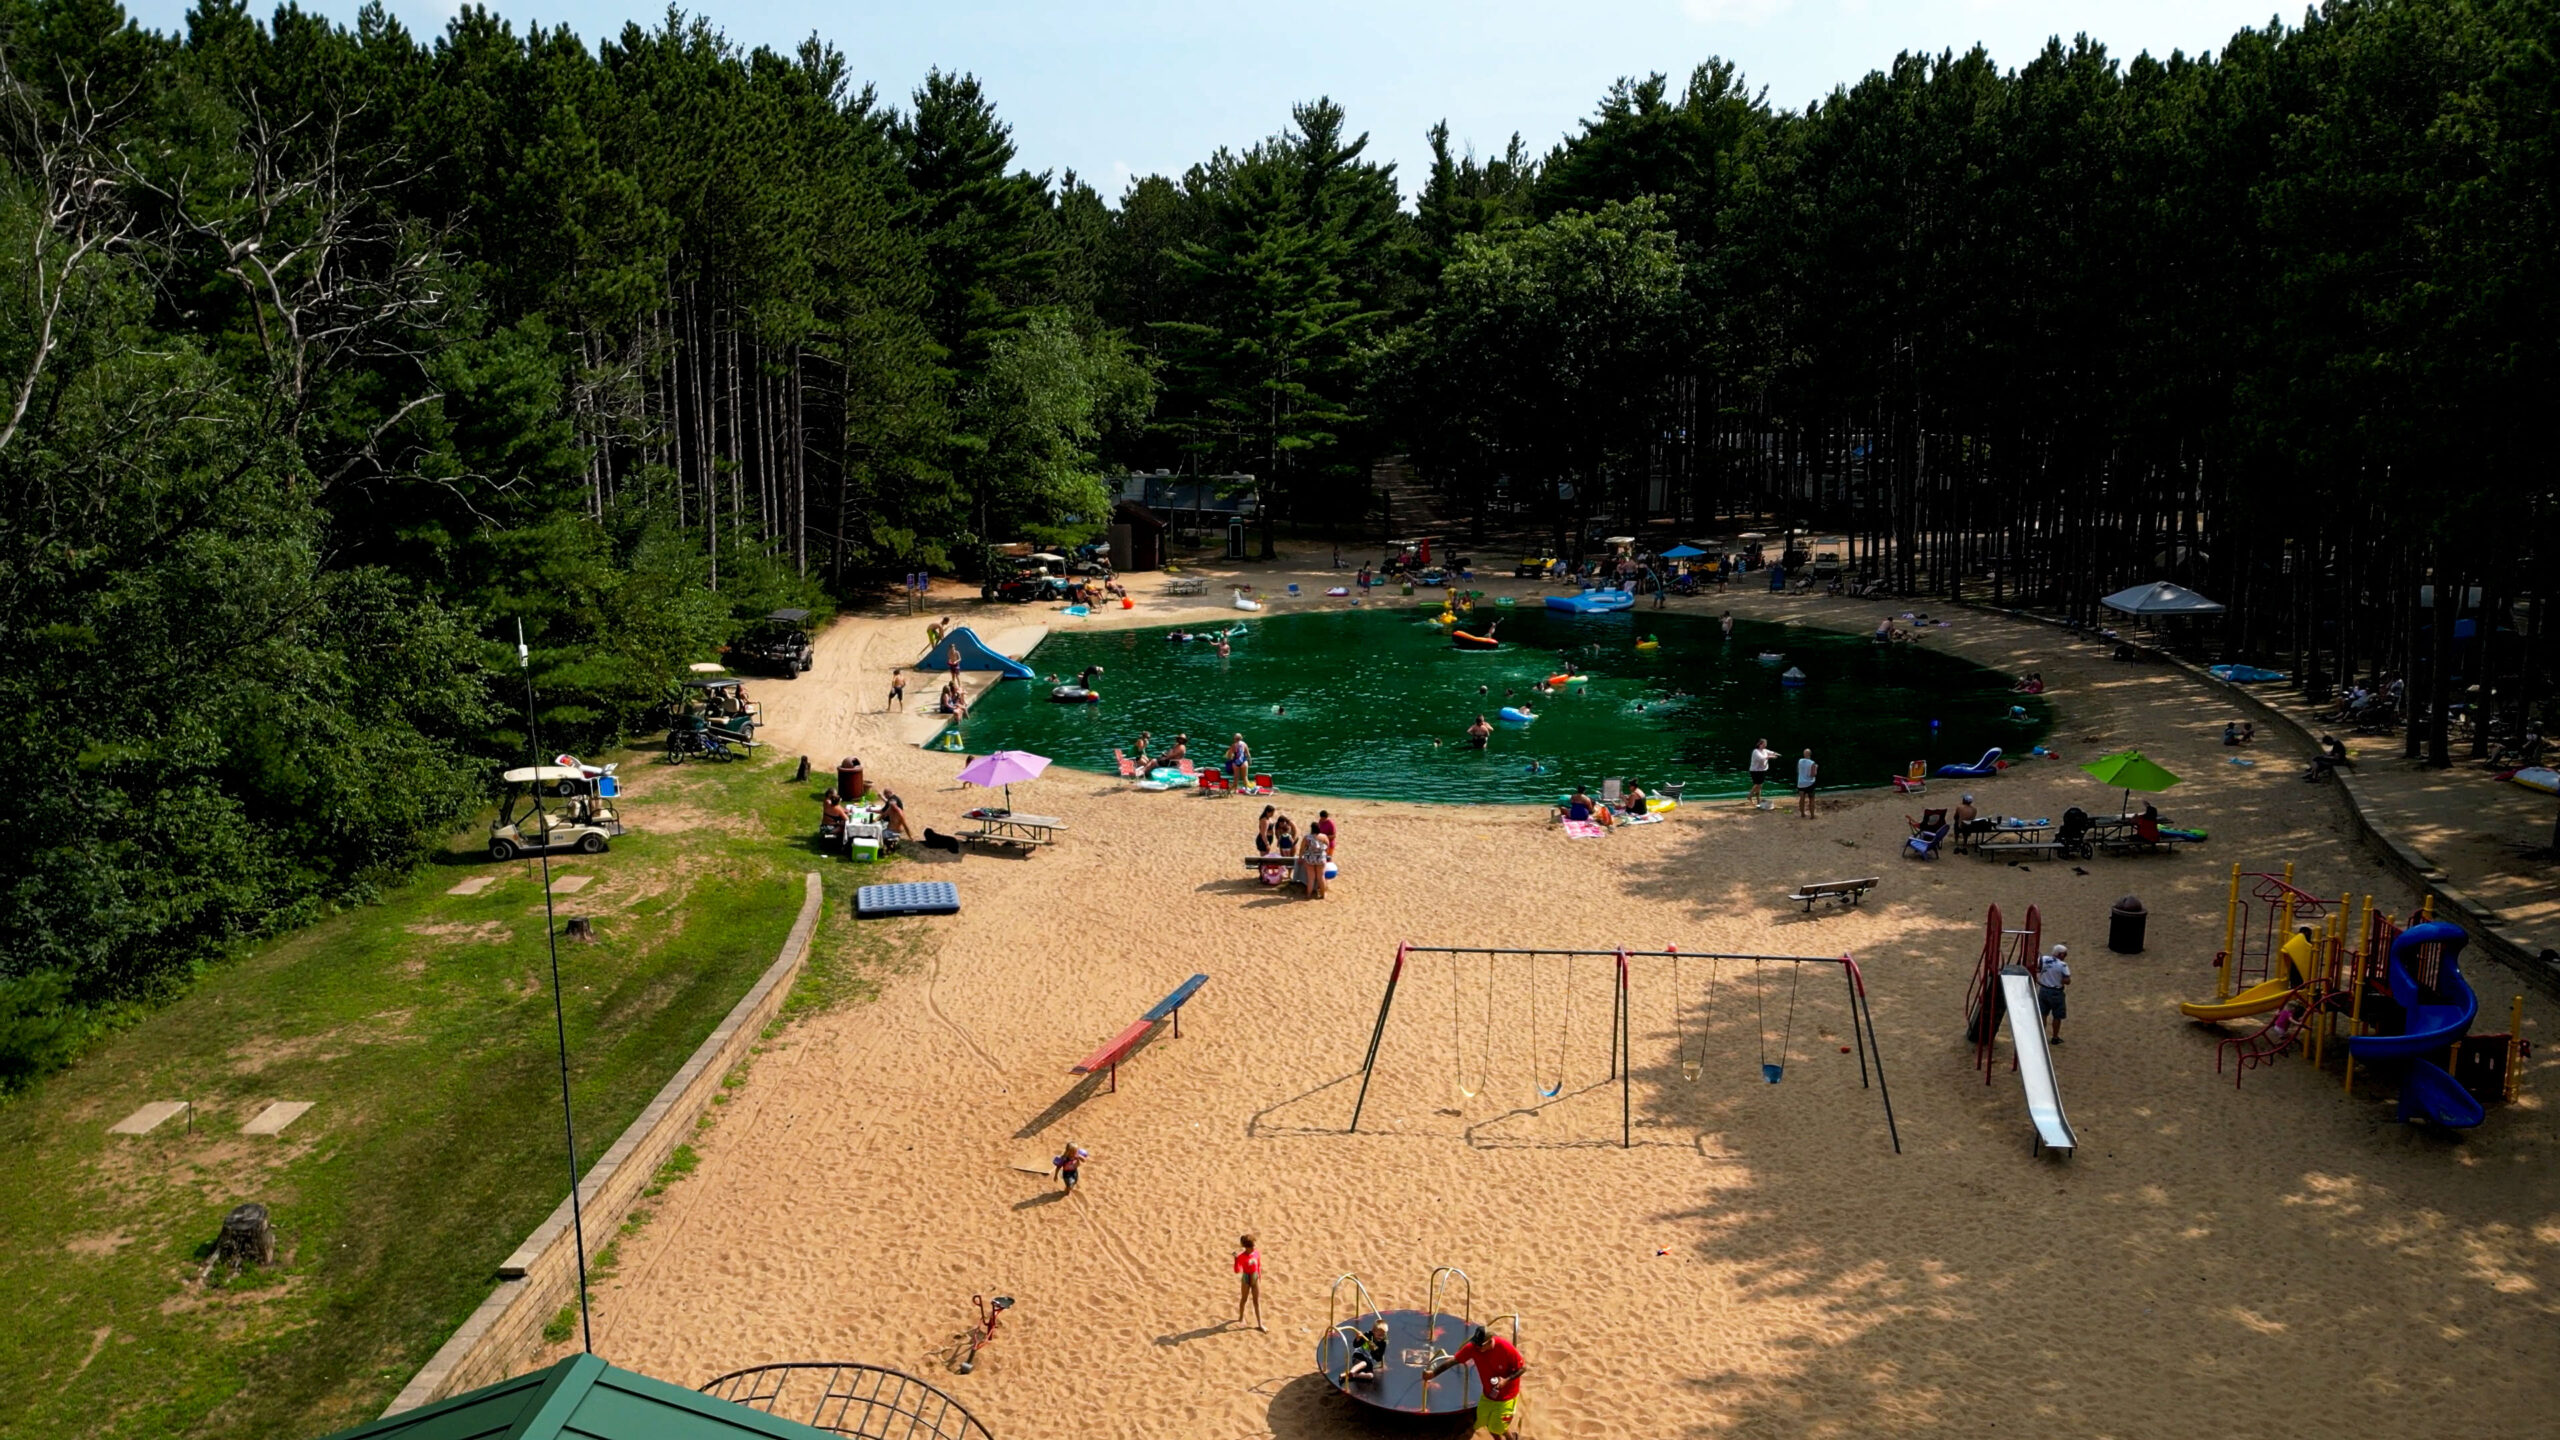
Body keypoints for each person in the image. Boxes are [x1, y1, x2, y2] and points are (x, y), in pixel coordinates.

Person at [1424, 1324, 1529, 1437]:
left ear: (1490, 1341)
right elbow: (1454, 1360)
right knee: (1486, 1422)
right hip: (1488, 1394)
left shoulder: (1505, 1348)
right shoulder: (1473, 1348)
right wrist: (1433, 1373)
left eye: (1480, 1345)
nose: (1477, 1348)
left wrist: (1505, 1381)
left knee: (1497, 1426)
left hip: (1507, 1396)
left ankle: (1512, 1438)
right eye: (1475, 1343)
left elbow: (1523, 1368)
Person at [2034, 942, 2071, 1044]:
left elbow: (2037, 968)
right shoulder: (2063, 965)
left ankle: (2041, 1036)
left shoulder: (2043, 959)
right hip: (2056, 992)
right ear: (2060, 954)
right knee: (2057, 1016)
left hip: (2044, 990)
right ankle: (2055, 1037)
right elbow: (2067, 980)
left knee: (2043, 1014)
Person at [1233, 1234, 1265, 1330]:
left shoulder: (1256, 1253)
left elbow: (1258, 1265)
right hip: (1246, 1279)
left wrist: (1259, 1276)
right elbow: (1237, 1270)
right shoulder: (1241, 1257)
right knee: (1244, 1299)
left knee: (1256, 1301)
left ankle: (1260, 1324)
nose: (1254, 1247)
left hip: (1255, 1278)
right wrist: (1236, 1260)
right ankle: (1241, 1317)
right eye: (1252, 1246)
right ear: (1247, 1247)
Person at [1299, 828, 1330, 899]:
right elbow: (1327, 847)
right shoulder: (1324, 836)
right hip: (1320, 858)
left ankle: (1308, 895)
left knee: (1311, 878)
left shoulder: (1307, 837)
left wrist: (1300, 857)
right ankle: (1323, 894)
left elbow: (1302, 848)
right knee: (1321, 877)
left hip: (1310, 858)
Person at [1748, 738, 1776, 810]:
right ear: (1760, 744)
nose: (1765, 746)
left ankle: (1757, 800)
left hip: (1762, 770)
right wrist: (1769, 757)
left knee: (1760, 786)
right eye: (1764, 744)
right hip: (1755, 771)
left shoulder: (1764, 750)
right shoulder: (1756, 751)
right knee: (1758, 784)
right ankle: (1750, 795)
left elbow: (1770, 752)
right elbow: (1761, 758)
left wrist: (1775, 753)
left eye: (1765, 745)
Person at [1796, 748, 1819, 818]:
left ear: (1804, 754)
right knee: (1811, 799)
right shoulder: (1812, 763)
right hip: (1809, 783)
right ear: (1810, 754)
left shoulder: (1800, 761)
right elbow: (1813, 774)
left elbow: (1798, 770)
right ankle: (1812, 815)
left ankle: (1802, 814)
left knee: (1801, 799)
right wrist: (1816, 768)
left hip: (1801, 783)